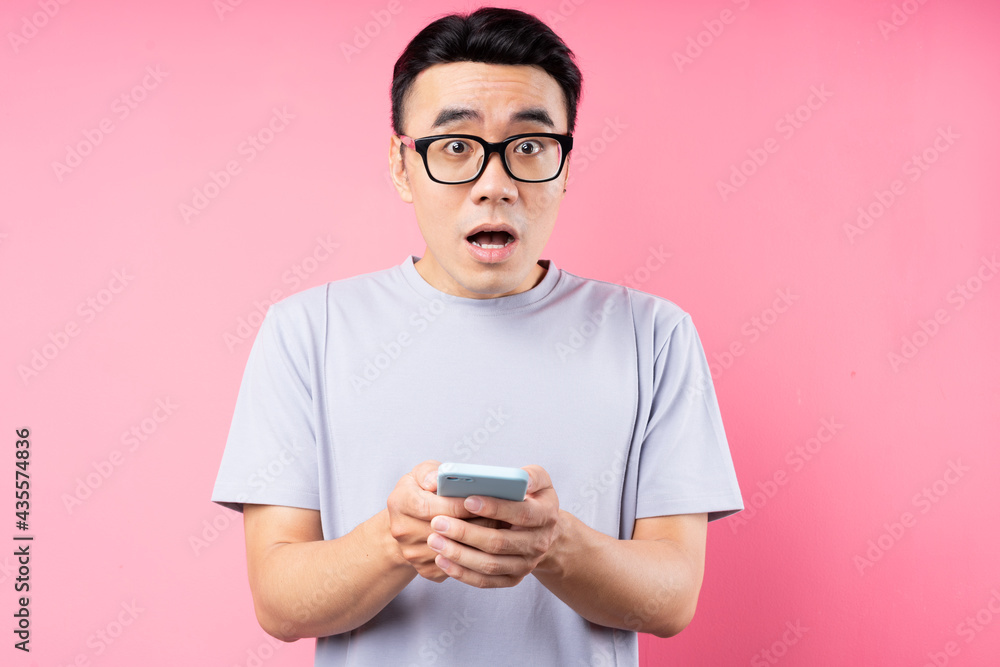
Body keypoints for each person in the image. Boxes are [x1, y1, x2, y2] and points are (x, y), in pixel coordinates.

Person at [211, 6, 743, 666]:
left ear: (567, 164)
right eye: (456, 147)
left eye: (529, 147)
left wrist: (553, 544)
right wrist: (393, 541)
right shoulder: (305, 332)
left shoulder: (654, 336)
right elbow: (280, 600)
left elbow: (671, 598)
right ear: (402, 167)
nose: (495, 185)